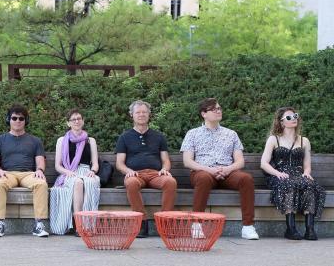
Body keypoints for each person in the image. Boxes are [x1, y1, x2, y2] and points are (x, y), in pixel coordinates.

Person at [181, 98, 259, 240]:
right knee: (203, 178)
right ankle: (196, 225)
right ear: (203, 114)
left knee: (246, 179)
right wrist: (209, 170)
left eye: (219, 108)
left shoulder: (231, 134)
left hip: (227, 172)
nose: (218, 111)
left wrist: (228, 169)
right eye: (214, 109)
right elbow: (187, 161)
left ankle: (248, 227)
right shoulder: (192, 133)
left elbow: (240, 161)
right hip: (203, 172)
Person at [259, 107, 325, 240]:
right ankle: (290, 229)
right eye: (289, 117)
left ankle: (310, 230)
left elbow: (307, 165)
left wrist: (306, 173)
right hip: (279, 175)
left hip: (298, 174)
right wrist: (277, 173)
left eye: (295, 115)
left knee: (310, 185)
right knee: (289, 184)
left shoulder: (304, 141)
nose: (293, 118)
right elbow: (264, 163)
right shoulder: (273, 139)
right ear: (281, 122)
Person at [116, 100, 177, 238]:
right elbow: (120, 163)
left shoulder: (159, 136)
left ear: (149, 115)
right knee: (131, 183)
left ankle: (165, 222)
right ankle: (141, 222)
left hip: (156, 174)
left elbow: (166, 160)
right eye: (138, 112)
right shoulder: (124, 137)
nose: (141, 115)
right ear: (132, 115)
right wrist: (128, 171)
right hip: (136, 174)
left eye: (144, 112)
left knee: (170, 182)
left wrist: (164, 169)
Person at [0, 104, 49, 237]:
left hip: (28, 174)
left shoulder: (35, 141)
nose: (17, 121)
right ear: (8, 120)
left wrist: (39, 170)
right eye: (14, 118)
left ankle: (39, 224)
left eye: (21, 118)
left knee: (41, 183)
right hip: (7, 173)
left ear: (25, 121)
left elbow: (40, 161)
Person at [48, 109, 100, 235]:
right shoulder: (62, 140)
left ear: (83, 121)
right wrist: (67, 172)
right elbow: (58, 166)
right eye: (73, 119)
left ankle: (85, 224)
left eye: (79, 118)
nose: (76, 121)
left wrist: (93, 171)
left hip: (87, 171)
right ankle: (79, 224)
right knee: (77, 182)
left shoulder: (90, 140)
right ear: (68, 123)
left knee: (87, 182)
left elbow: (95, 163)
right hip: (69, 172)